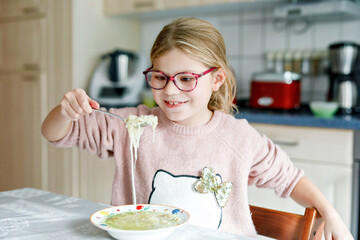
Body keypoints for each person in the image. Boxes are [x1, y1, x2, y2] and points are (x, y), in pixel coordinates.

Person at [41, 17, 353, 239]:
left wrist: (331, 214)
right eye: (160, 77)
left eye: (187, 78)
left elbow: (291, 179)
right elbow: (55, 132)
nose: (170, 91)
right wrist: (66, 111)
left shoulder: (238, 138)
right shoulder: (131, 125)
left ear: (216, 79)